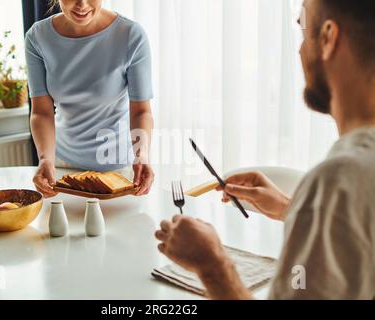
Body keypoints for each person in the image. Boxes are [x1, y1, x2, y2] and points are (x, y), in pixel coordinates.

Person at [155, 0, 375, 299]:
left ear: (328, 38)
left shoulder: (339, 180)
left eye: (302, 27)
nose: (298, 50)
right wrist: (290, 208)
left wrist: (213, 265)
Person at [25, 0, 154, 198]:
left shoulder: (130, 35)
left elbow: (141, 111)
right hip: (60, 166)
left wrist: (142, 155)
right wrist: (45, 160)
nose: (82, 4)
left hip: (118, 168)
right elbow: (42, 111)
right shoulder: (38, 37)